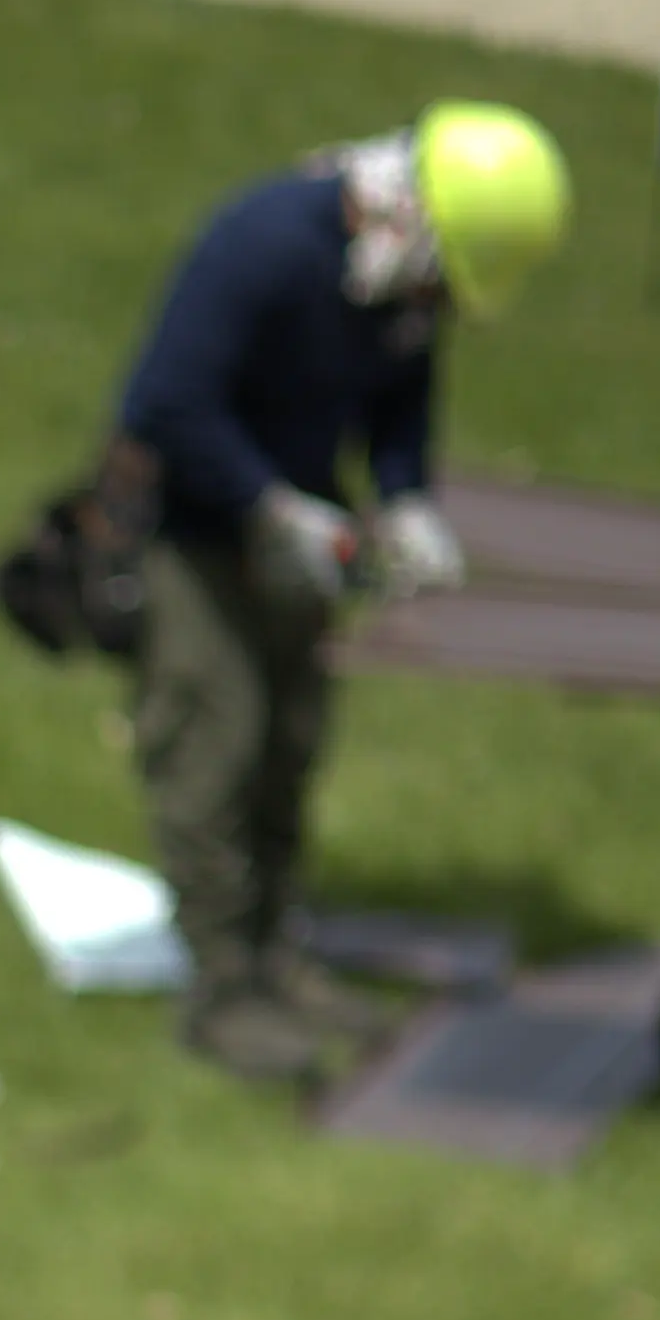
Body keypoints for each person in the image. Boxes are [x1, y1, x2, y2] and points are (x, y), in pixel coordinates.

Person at [79, 103, 567, 1082]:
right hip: (195, 538)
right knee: (211, 750)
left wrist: (405, 497)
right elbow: (167, 401)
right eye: (436, 279)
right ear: (409, 219)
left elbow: (401, 392)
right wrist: (265, 506)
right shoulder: (261, 245)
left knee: (287, 747)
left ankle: (278, 957)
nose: (433, 302)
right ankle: (222, 993)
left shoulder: (397, 283)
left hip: (297, 543)